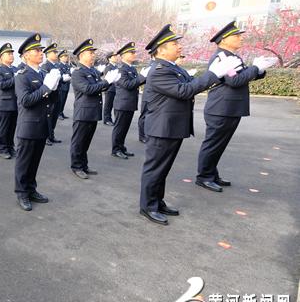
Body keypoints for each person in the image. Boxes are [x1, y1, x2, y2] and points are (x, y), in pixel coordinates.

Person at [139, 24, 241, 225]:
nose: (179, 47)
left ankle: (157, 202)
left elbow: (190, 85)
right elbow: (184, 91)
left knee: (163, 169)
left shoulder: (173, 67)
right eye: (174, 44)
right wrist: (213, 74)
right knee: (155, 169)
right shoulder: (159, 70)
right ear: (161, 49)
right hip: (162, 128)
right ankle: (148, 206)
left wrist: (213, 76)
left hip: (172, 127)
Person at [195, 21, 276, 192]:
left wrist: (259, 70)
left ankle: (211, 173)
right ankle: (204, 176)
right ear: (224, 40)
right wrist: (255, 67)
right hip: (221, 109)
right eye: (236, 36)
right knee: (213, 144)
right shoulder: (222, 58)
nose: (240, 39)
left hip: (229, 109)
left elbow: (243, 76)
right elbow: (235, 80)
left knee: (219, 144)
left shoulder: (232, 56)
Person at [14, 33, 60, 212]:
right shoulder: (21, 75)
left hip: (42, 124)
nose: (41, 53)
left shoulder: (43, 73)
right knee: (24, 162)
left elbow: (51, 99)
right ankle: (21, 192)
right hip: (28, 125)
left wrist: (54, 87)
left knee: (35, 161)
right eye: (36, 50)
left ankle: (31, 189)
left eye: (41, 50)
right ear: (26, 55)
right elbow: (26, 100)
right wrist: (46, 88)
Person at [69, 39, 120, 179]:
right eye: (90, 53)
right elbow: (88, 89)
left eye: (93, 53)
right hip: (83, 111)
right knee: (79, 141)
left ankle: (83, 164)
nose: (93, 55)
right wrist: (106, 81)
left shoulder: (93, 70)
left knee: (86, 141)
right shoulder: (78, 72)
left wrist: (109, 82)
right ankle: (76, 166)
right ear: (81, 55)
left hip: (92, 111)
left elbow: (101, 87)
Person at [111, 42, 147, 159]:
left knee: (125, 127)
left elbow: (136, 82)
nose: (133, 54)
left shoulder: (131, 68)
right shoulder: (121, 69)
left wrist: (145, 78)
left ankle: (121, 147)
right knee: (119, 128)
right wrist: (142, 77)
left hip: (129, 103)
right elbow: (127, 84)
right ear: (123, 55)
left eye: (134, 52)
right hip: (122, 103)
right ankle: (115, 149)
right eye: (131, 52)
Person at [0, 42, 18, 159]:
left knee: (12, 128)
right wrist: (15, 79)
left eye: (12, 53)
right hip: (4, 104)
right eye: (8, 54)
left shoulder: (15, 69)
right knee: (3, 128)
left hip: (15, 104)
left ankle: (10, 147)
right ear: (1, 57)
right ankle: (3, 149)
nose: (11, 56)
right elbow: (1, 85)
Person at [40, 43, 63, 145]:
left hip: (56, 94)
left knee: (54, 116)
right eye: (54, 52)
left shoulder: (56, 65)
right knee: (48, 117)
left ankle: (51, 135)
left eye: (56, 52)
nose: (56, 54)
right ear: (47, 54)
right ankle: (46, 137)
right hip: (49, 95)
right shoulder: (45, 66)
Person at [101, 52, 119, 125]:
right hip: (110, 88)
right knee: (108, 105)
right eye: (114, 56)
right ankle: (107, 119)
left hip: (116, 88)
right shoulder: (108, 67)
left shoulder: (116, 66)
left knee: (115, 105)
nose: (116, 57)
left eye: (116, 56)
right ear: (109, 58)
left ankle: (113, 119)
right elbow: (109, 79)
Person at [57, 50, 72, 119]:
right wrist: (68, 74)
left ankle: (61, 112)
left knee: (64, 100)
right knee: (60, 100)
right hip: (62, 86)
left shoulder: (67, 65)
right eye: (64, 56)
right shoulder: (59, 65)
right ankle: (59, 113)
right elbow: (62, 75)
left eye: (66, 56)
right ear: (60, 58)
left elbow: (69, 74)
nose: (66, 58)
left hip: (67, 85)